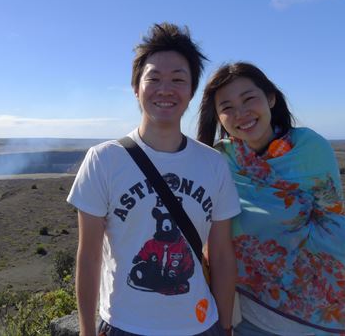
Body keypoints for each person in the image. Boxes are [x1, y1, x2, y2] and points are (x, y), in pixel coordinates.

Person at [67, 23, 241, 336]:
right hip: (124, 325)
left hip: (200, 325)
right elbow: (89, 256)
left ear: (190, 91)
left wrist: (225, 326)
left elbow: (222, 256)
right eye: (154, 79)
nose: (165, 89)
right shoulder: (103, 160)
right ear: (136, 88)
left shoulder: (213, 164)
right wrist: (85, 330)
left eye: (178, 79)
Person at [197, 62, 345, 336]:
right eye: (226, 107)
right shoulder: (217, 161)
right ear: (218, 117)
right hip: (245, 314)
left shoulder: (311, 149)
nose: (240, 113)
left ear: (271, 98)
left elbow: (333, 225)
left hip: (314, 315)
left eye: (249, 98)